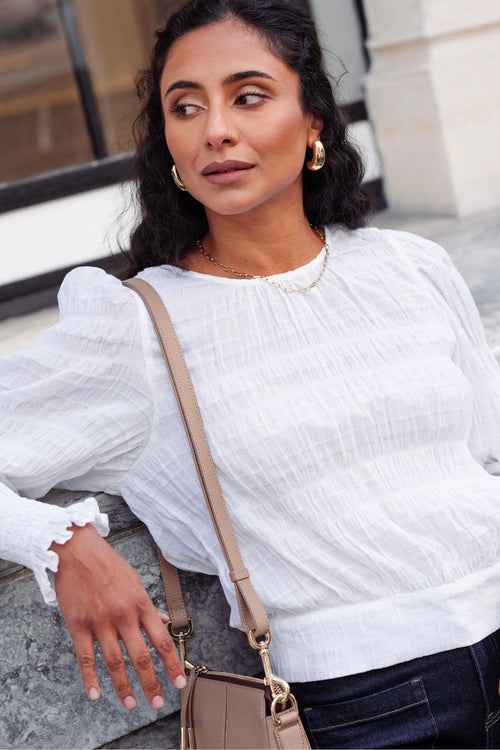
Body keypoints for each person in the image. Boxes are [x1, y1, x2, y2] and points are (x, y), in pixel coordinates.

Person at [1, 0, 500, 746]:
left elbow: (486, 453)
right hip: (372, 705)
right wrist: (60, 540)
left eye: (250, 95)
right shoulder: (137, 326)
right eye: (186, 106)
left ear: (313, 124)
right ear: (168, 144)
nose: (217, 129)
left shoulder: (408, 266)